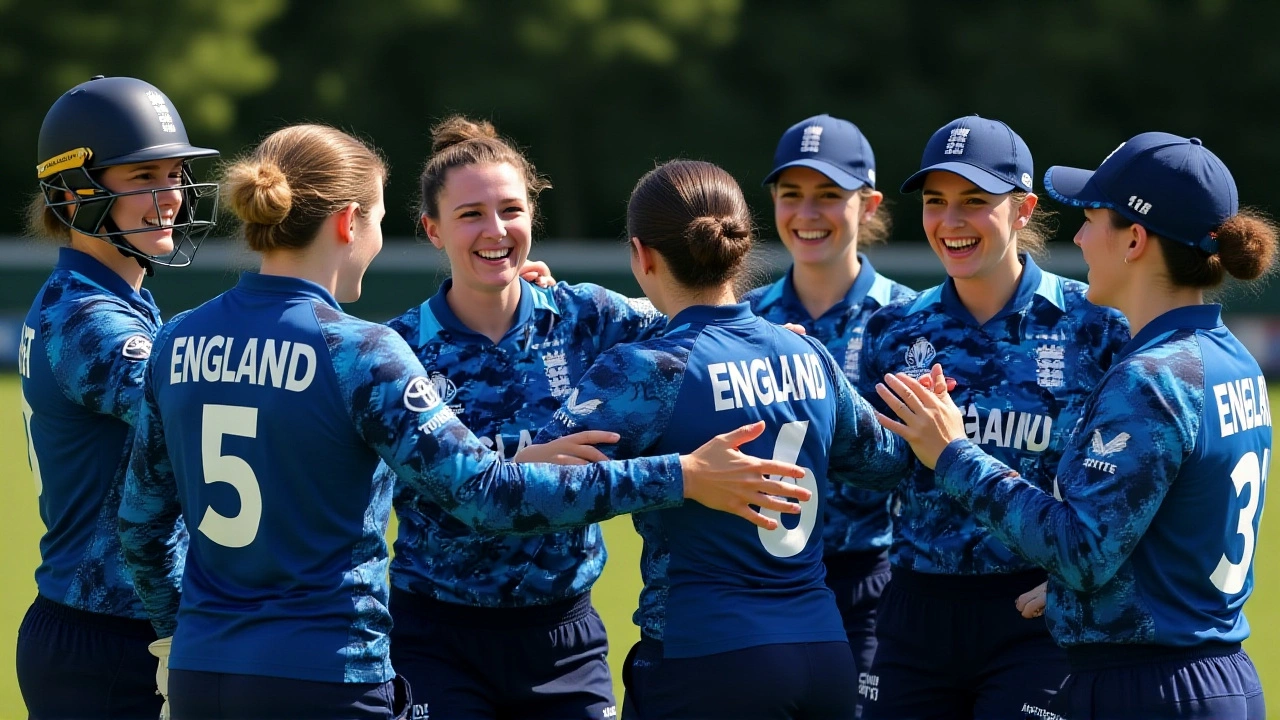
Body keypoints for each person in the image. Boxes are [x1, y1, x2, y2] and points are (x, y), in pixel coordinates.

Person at [116, 124, 811, 720]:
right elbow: (485, 495)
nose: (494, 229)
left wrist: (180, 631)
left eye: (510, 210)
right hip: (347, 659)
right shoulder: (368, 349)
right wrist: (682, 477)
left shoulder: (179, 338)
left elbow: (143, 521)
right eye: (385, 220)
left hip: (209, 664)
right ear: (350, 223)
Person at [877, 131, 1273, 719]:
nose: (1081, 237)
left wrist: (953, 451)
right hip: (1212, 667)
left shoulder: (1149, 376)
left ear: (1135, 239)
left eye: (1092, 220)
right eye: (936, 199)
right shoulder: (1232, 358)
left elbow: (1083, 548)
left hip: (1147, 681)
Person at [533, 159, 912, 720]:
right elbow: (885, 463)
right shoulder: (806, 351)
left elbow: (533, 494)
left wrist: (675, 478)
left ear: (642, 255)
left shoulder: (646, 369)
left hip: (708, 662)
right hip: (826, 655)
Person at [381, 115, 668, 720]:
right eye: (470, 215)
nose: (496, 230)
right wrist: (514, 464)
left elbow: (699, 319)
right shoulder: (397, 349)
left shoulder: (585, 315)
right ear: (432, 230)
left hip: (565, 639)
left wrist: (767, 335)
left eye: (511, 210)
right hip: (435, 637)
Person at [853, 115, 1131, 719]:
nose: (950, 223)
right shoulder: (893, 328)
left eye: (974, 202)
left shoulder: (1096, 324)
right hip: (915, 608)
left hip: (1036, 609)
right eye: (935, 202)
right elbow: (873, 472)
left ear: (1024, 209)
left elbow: (1136, 486)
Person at [16, 75, 218, 719]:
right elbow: (198, 408)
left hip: (109, 626)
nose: (172, 197)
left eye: (175, 175)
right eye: (144, 178)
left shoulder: (117, 299)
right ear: (75, 194)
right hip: (104, 637)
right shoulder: (88, 321)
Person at [742, 113, 915, 680]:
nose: (807, 214)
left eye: (829, 195)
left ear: (868, 205)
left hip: (869, 582)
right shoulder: (745, 319)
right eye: (791, 195)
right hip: (758, 582)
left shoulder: (910, 319)